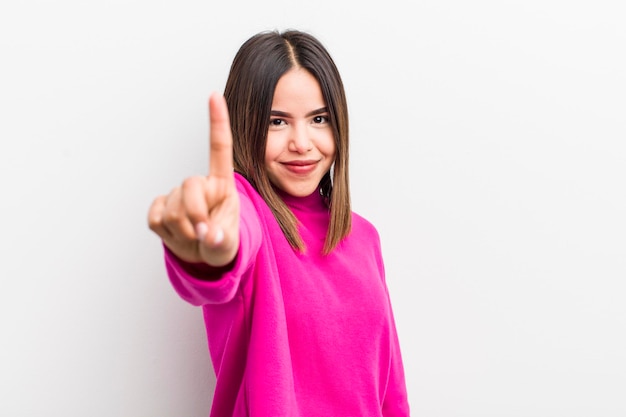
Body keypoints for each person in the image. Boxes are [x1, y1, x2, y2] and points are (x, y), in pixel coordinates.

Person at [147, 29, 410, 417]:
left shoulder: (365, 238)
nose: (302, 142)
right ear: (246, 125)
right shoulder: (245, 211)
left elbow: (391, 393)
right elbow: (230, 249)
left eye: (318, 119)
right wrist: (207, 254)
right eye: (277, 122)